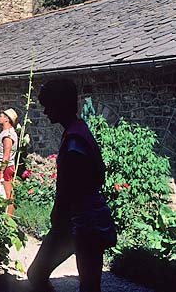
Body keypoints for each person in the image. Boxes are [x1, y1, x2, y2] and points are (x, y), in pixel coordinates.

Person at [27, 79, 116, 292]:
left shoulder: (75, 142)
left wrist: (58, 213)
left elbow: (70, 187)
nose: (46, 111)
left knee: (38, 274)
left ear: (61, 104)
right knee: (89, 286)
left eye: (49, 105)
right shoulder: (78, 130)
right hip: (88, 218)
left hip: (82, 221)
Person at [0, 108, 18, 216]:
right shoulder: (6, 133)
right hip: (0, 167)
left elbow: (6, 155)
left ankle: (8, 219)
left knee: (8, 194)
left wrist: (2, 170)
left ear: (7, 119)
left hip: (5, 168)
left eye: (1, 116)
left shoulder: (7, 135)